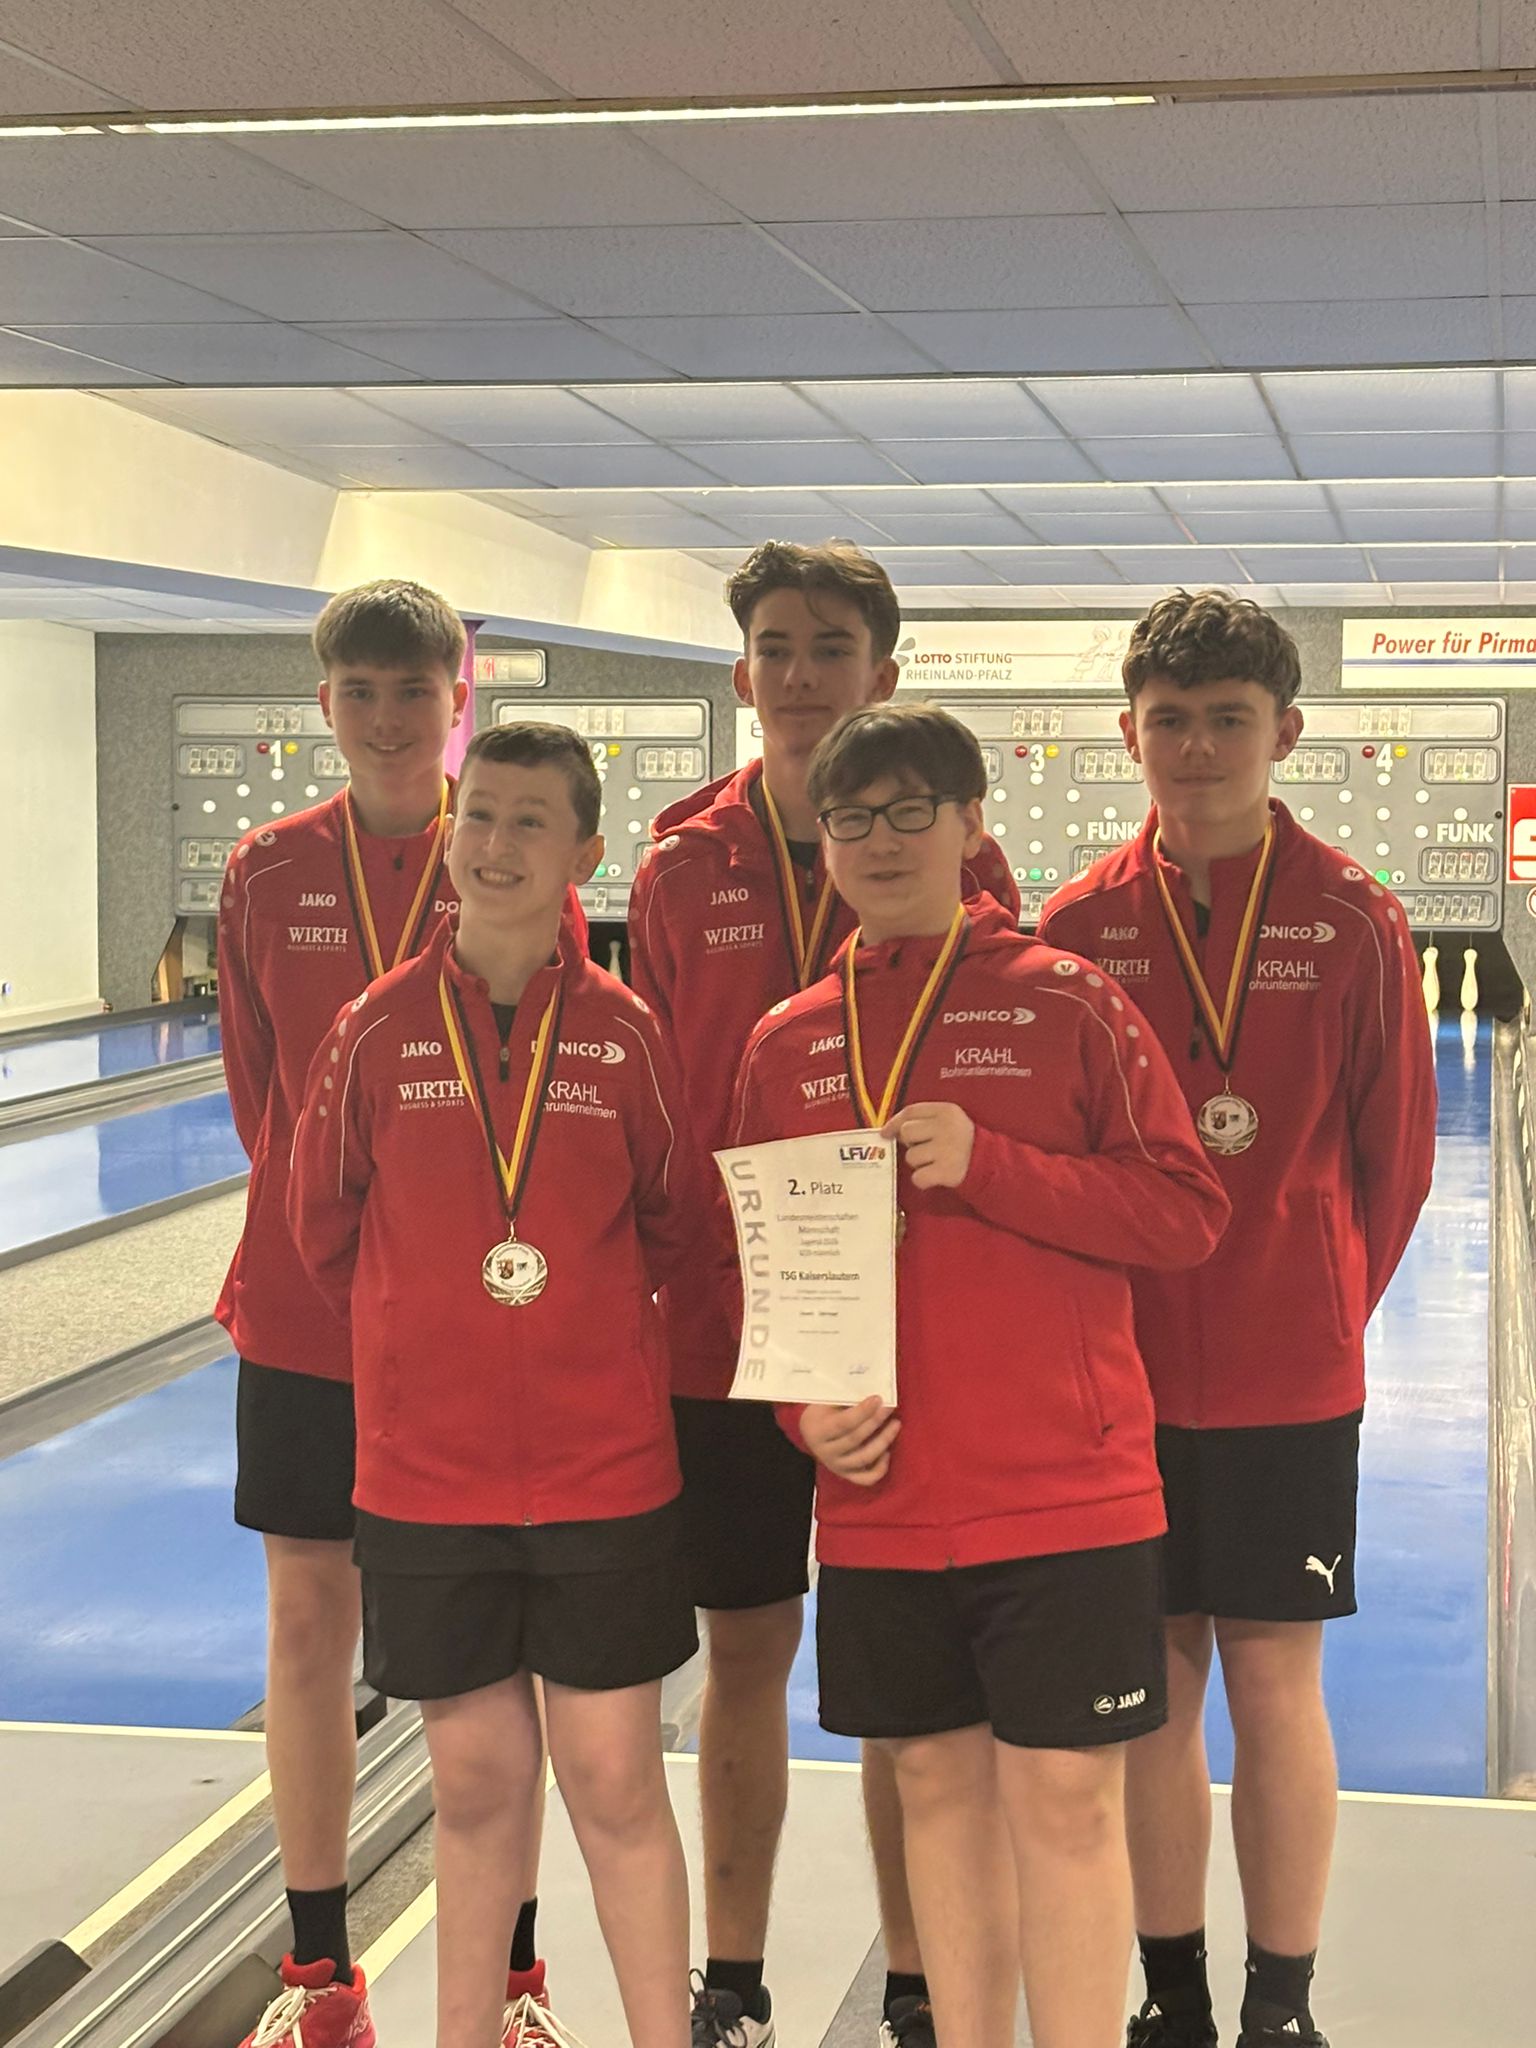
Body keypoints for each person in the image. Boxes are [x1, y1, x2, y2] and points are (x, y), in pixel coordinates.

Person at [727, 702, 1229, 2048]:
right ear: (822, 841)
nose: (881, 841)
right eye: (851, 819)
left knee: (1064, 1801)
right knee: (937, 1793)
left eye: (911, 812)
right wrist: (802, 1415)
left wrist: (994, 1166)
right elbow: (761, 1283)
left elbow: (1186, 1211)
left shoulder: (1069, 1001)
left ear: (969, 825)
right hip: (885, 1506)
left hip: (1066, 1495)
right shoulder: (787, 1043)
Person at [628, 542, 1020, 2048]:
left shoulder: (965, 863)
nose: (801, 676)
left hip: (903, 1347)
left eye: (831, 648)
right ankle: (732, 1981)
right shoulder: (678, 865)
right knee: (742, 1654)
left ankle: (917, 1981)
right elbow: (662, 1111)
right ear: (743, 674)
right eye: (777, 648)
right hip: (729, 1334)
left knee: (901, 1672)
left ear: (883, 673)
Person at [1038, 590, 1437, 2048]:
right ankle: (1175, 1997)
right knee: (1152, 1685)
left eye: (1227, 719)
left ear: (1286, 732)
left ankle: (1281, 2002)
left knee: (1274, 1680)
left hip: (1288, 1383)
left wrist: (1316, 1307)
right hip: (1121, 1381)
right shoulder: (1078, 928)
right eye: (1171, 721)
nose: (1197, 747)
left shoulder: (1354, 918)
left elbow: (1395, 1161)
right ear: (1128, 733)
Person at [288, 722, 700, 2048]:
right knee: (473, 1782)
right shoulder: (374, 1027)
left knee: (615, 1778)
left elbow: (675, 1223)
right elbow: (323, 1227)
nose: (498, 845)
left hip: (603, 1474)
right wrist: (432, 1339)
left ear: (586, 852)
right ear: (450, 834)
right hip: (429, 1480)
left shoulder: (627, 1033)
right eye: (480, 816)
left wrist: (573, 1332)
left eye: (532, 822)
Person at [217, 582, 553, 2048]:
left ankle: (518, 1979)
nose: (389, 717)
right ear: (326, 707)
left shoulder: (508, 852)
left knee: (493, 1642)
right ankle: (319, 1976)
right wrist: (335, 1226)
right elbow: (259, 1094)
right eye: (361, 691)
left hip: (473, 1319)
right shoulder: (266, 870)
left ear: (457, 702)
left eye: (415, 689)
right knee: (308, 1621)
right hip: (304, 1313)